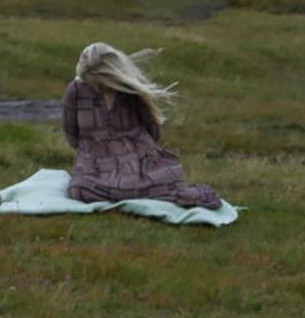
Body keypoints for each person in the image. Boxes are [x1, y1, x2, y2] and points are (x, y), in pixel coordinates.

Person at [60, 42, 227, 212]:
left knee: (167, 177)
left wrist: (142, 154)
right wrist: (91, 152)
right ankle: (132, 190)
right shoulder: (76, 91)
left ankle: (132, 188)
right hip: (96, 158)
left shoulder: (130, 91)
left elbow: (151, 128)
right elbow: (70, 131)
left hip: (136, 154)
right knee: (80, 189)